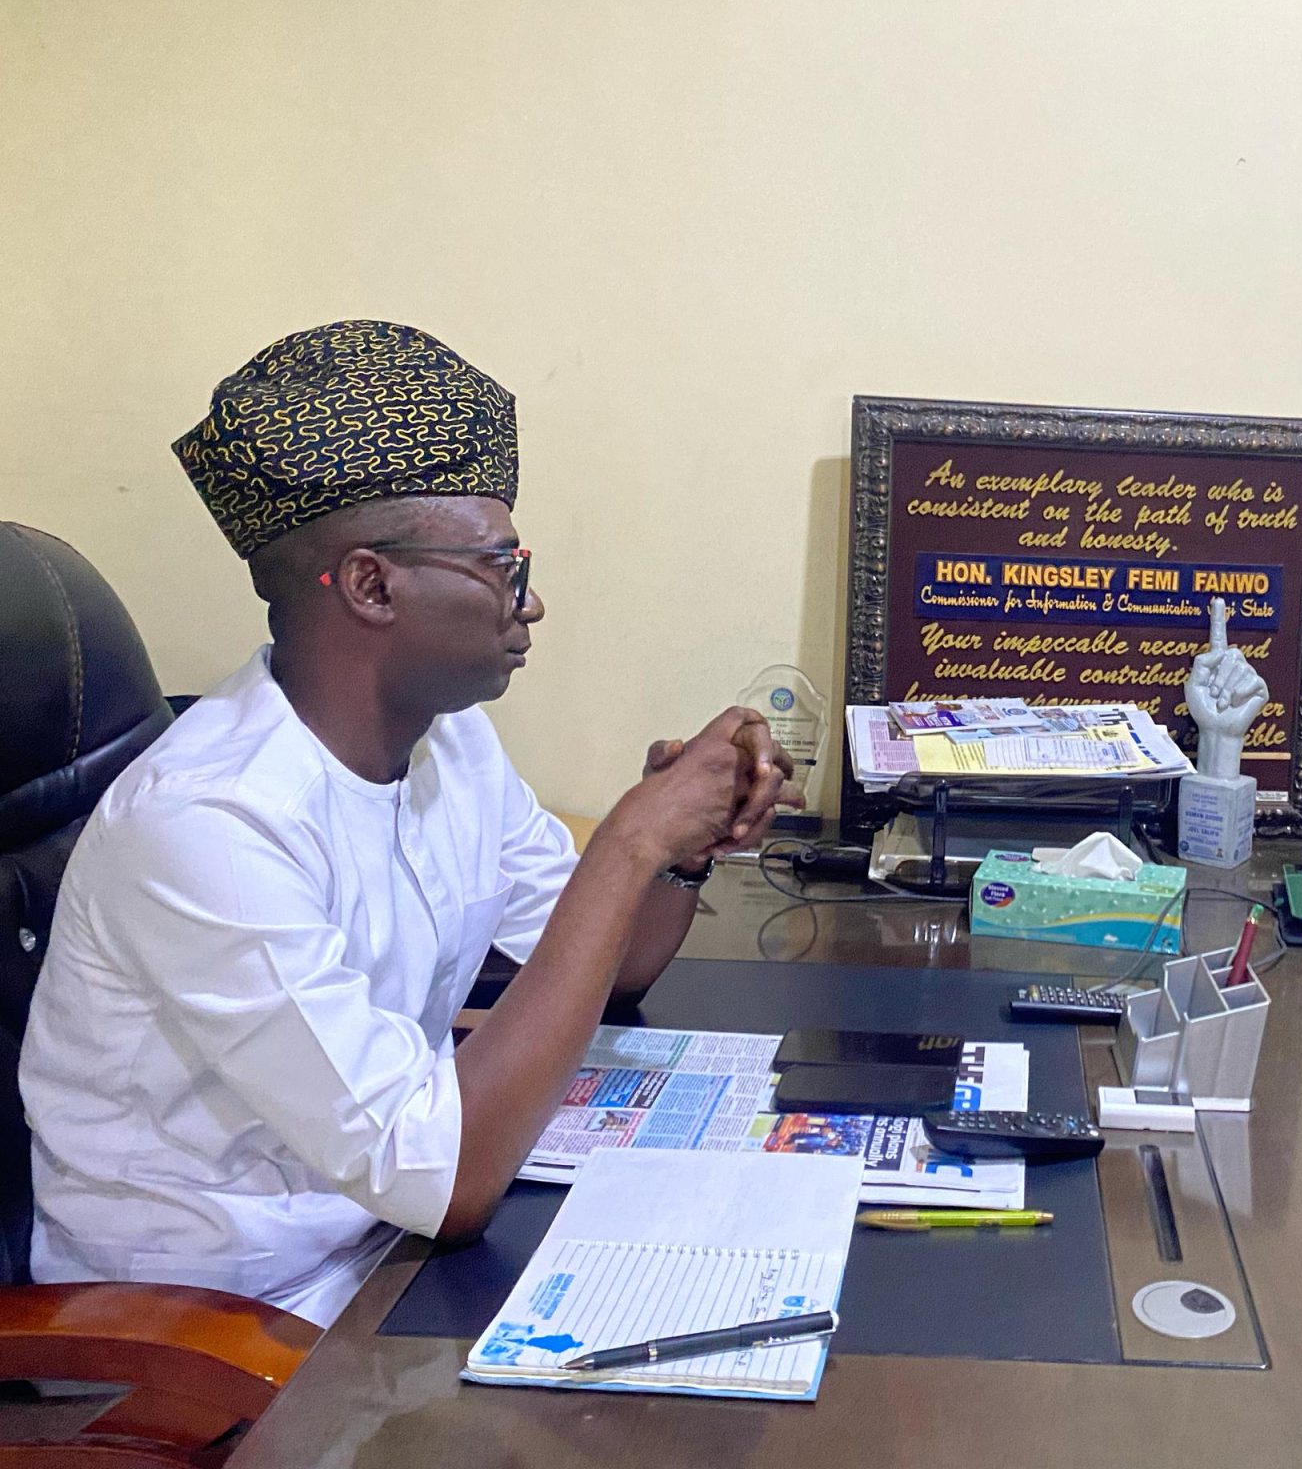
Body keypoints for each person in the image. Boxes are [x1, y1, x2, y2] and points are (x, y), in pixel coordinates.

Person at [19, 320, 797, 1325]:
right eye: (502, 568)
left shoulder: (450, 740)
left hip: (387, 1243)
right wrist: (632, 838)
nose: (531, 604)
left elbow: (616, 966)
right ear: (372, 585)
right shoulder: (210, 824)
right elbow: (453, 1181)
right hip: (221, 1324)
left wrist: (682, 851)